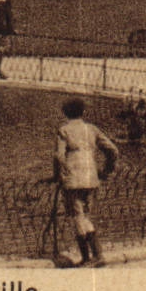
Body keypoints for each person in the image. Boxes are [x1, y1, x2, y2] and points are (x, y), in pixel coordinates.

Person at [54, 97, 119, 267]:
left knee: (77, 218)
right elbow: (113, 150)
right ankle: (97, 255)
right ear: (83, 112)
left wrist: (58, 175)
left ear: (65, 113)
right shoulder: (92, 129)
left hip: (73, 179)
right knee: (85, 216)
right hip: (91, 178)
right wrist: (107, 170)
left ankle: (89, 257)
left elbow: (59, 156)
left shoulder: (64, 130)